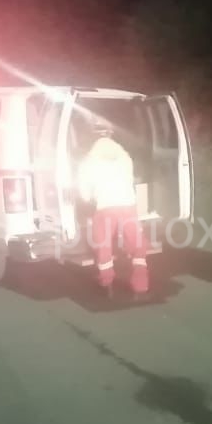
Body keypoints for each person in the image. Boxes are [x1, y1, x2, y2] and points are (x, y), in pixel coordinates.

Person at [77, 121, 148, 300]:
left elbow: (83, 188)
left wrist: (88, 199)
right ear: (110, 135)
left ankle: (107, 284)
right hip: (128, 204)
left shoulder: (89, 159)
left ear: (94, 136)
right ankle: (140, 286)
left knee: (104, 245)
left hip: (106, 206)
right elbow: (130, 178)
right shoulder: (124, 155)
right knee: (137, 245)